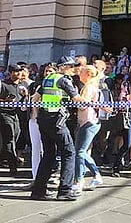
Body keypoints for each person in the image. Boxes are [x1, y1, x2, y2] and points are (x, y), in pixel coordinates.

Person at [30, 56, 84, 201]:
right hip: (56, 121)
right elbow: (77, 99)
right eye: (71, 66)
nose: (73, 69)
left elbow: (34, 98)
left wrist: (37, 115)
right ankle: (65, 191)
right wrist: (93, 103)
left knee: (49, 154)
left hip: (44, 120)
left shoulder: (48, 78)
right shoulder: (63, 80)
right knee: (69, 152)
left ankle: (38, 191)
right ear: (64, 67)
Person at [73, 65, 104, 193]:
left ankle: (80, 180)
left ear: (88, 74)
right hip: (91, 122)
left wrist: (74, 98)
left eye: (82, 71)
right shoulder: (93, 87)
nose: (79, 72)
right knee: (81, 151)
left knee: (80, 152)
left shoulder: (88, 88)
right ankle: (95, 175)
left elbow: (82, 105)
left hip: (88, 122)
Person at [0, 64, 25, 176]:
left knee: (16, 136)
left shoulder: (22, 85)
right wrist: (5, 100)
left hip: (16, 114)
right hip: (5, 114)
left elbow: (24, 102)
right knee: (9, 139)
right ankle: (12, 166)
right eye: (15, 71)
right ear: (10, 73)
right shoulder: (3, 85)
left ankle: (7, 158)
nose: (18, 73)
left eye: (20, 71)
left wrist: (25, 95)